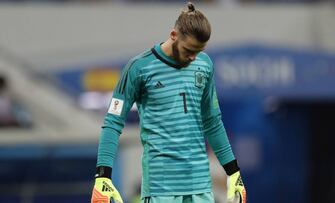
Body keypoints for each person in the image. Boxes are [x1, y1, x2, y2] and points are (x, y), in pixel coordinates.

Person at [91, 2, 246, 203]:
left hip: (201, 189)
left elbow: (213, 122)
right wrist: (103, 175)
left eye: (198, 51)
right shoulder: (139, 68)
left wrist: (234, 173)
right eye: (188, 50)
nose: (192, 57)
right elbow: (112, 123)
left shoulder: (204, 64)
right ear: (173, 35)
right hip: (160, 189)